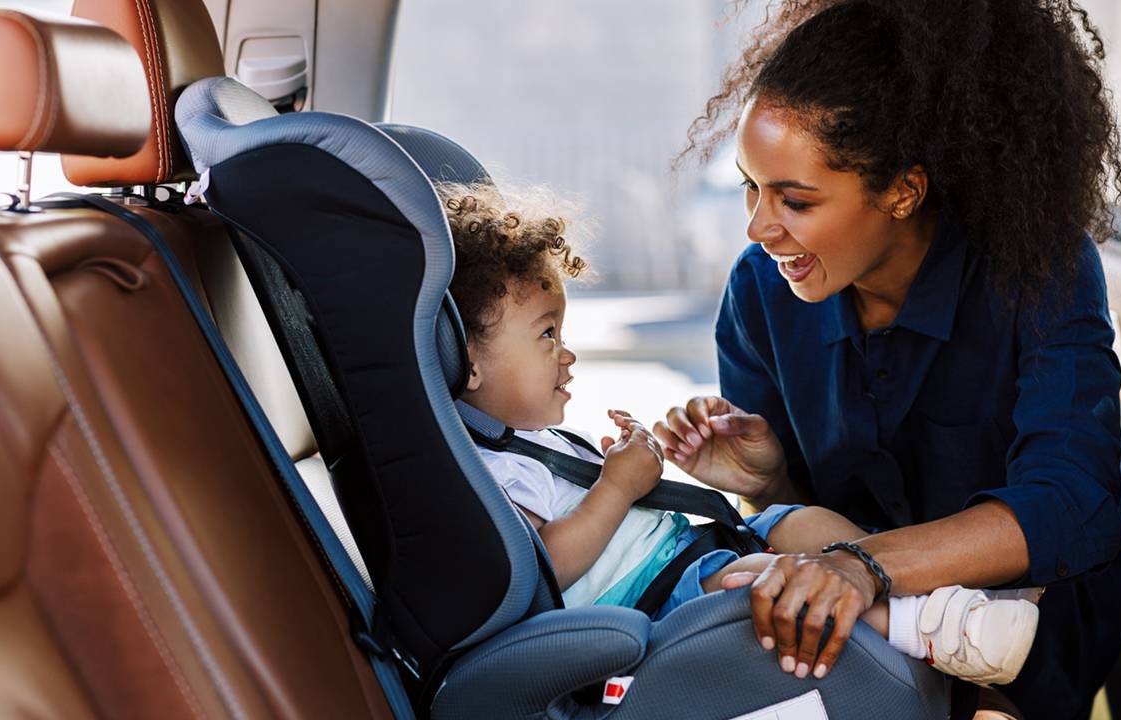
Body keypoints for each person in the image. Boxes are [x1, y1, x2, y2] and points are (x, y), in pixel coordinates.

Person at [654, 1, 1121, 718]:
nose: (758, 228)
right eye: (751, 188)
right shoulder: (761, 292)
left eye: (794, 199)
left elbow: (1067, 505)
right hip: (859, 613)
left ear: (903, 191)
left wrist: (866, 567)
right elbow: (801, 516)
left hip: (1029, 623)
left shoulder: (1039, 270)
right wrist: (767, 481)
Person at [440, 181, 1040, 687]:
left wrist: (621, 468)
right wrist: (616, 488)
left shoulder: (536, 444)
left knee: (796, 521)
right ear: (467, 361)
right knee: (767, 581)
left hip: (690, 553)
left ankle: (932, 598)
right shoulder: (487, 471)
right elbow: (544, 568)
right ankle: (928, 633)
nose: (566, 355)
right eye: (547, 336)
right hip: (655, 599)